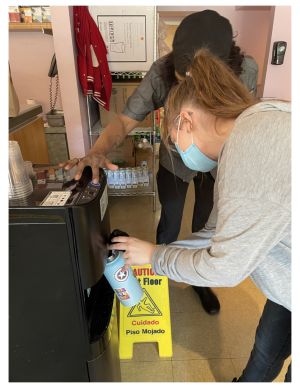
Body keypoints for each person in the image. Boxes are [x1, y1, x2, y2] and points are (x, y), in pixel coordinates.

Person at [108, 48, 291, 382]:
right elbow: (214, 232)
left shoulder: (251, 153)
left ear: (186, 120)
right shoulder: (254, 124)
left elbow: (225, 268)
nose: (180, 154)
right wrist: (151, 253)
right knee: (267, 350)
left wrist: (156, 256)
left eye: (176, 145)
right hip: (289, 287)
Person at [60, 10, 258, 315]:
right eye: (183, 83)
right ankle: (158, 274)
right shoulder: (159, 73)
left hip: (220, 164)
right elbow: (125, 121)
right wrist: (97, 150)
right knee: (171, 220)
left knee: (206, 224)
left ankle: (198, 281)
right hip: (175, 161)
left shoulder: (246, 72)